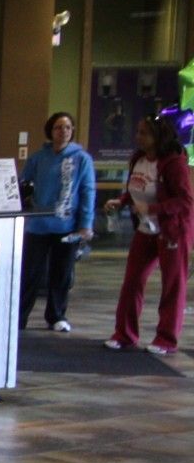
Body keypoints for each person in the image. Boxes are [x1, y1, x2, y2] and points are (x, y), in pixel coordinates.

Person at [103, 112, 192, 354]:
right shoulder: (138, 159)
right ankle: (125, 334)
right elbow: (137, 188)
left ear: (157, 136)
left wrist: (152, 208)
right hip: (145, 229)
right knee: (132, 281)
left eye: (144, 132)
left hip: (173, 231)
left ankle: (166, 339)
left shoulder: (174, 163)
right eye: (138, 132)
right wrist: (122, 201)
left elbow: (185, 201)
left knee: (172, 285)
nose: (138, 137)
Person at [19, 111, 96, 333]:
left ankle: (56, 315)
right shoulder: (38, 158)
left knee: (61, 273)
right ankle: (21, 315)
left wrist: (86, 224)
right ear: (50, 131)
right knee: (31, 272)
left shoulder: (82, 159)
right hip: (38, 225)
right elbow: (24, 184)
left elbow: (87, 191)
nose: (63, 132)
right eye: (58, 127)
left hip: (67, 225)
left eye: (67, 128)